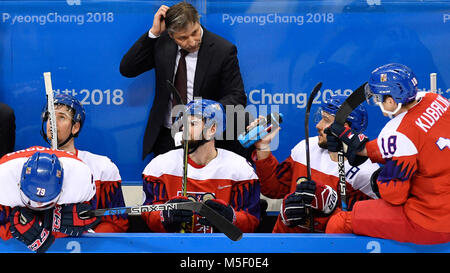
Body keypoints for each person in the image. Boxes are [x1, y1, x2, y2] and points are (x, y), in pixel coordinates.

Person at [325, 63, 450, 244]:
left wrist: (381, 179)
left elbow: (394, 196)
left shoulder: (398, 132)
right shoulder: (435, 99)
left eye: (379, 98)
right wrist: (362, 149)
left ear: (391, 101)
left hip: (431, 221)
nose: (377, 102)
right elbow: (415, 143)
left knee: (341, 221)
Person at [120, 2, 248, 160]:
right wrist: (153, 33)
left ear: (198, 21)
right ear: (171, 35)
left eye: (194, 32)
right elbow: (127, 69)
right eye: (183, 38)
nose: (192, 41)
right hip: (167, 137)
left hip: (205, 140)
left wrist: (209, 110)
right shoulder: (162, 44)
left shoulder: (223, 50)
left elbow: (237, 96)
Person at [252, 94, 380, 233]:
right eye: (320, 118)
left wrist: (329, 209)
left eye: (325, 120)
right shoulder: (306, 146)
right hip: (286, 242)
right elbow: (274, 190)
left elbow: (366, 222)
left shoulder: (366, 171)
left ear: (345, 127)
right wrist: (263, 147)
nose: (318, 125)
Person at [141, 99, 260, 234]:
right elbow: (149, 213)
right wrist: (164, 216)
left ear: (212, 129)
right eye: (183, 123)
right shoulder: (160, 166)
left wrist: (231, 218)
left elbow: (251, 220)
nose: (184, 129)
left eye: (192, 123)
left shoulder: (240, 168)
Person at [41, 94, 129, 233]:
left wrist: (88, 239)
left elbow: (117, 222)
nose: (52, 122)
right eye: (49, 117)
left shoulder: (102, 167)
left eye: (61, 117)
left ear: (75, 127)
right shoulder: (27, 165)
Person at [0, 147, 100, 253]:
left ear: (62, 189)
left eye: (45, 200)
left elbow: (91, 215)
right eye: (34, 198)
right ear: (19, 183)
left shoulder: (80, 181)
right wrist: (51, 222)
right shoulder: (4, 180)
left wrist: (46, 224)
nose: (38, 203)